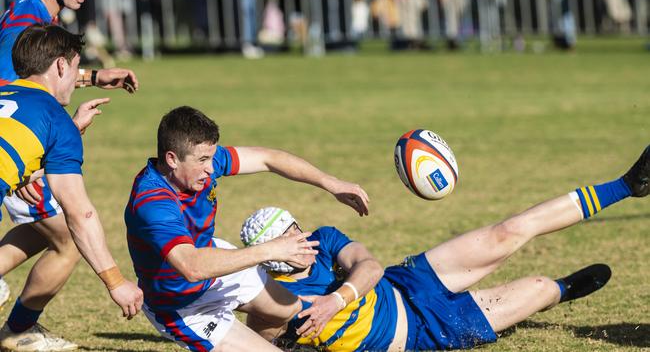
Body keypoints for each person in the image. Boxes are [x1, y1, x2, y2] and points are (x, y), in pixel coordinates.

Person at [242, 144, 650, 350]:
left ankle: (628, 185)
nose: (302, 240)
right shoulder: (273, 298)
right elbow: (263, 341)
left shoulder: (324, 238)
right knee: (540, 286)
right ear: (271, 257)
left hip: (408, 280)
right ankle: (561, 291)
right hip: (421, 332)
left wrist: (337, 300)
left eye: (296, 228)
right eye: (288, 240)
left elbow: (369, 266)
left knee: (508, 231)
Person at [124, 106, 370, 351]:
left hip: (213, 259)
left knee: (287, 308)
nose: (211, 168)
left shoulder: (202, 163)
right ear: (172, 159)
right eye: (202, 161)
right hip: (182, 304)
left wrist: (331, 183)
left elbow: (269, 158)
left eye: (211, 157)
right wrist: (271, 250)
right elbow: (192, 267)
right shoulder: (153, 202)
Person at [0, 0, 142, 350]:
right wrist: (116, 282)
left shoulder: (31, 28)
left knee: (53, 236)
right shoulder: (24, 22)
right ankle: (17, 332)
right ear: (63, 65)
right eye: (77, 67)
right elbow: (81, 212)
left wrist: (26, 165)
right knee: (66, 238)